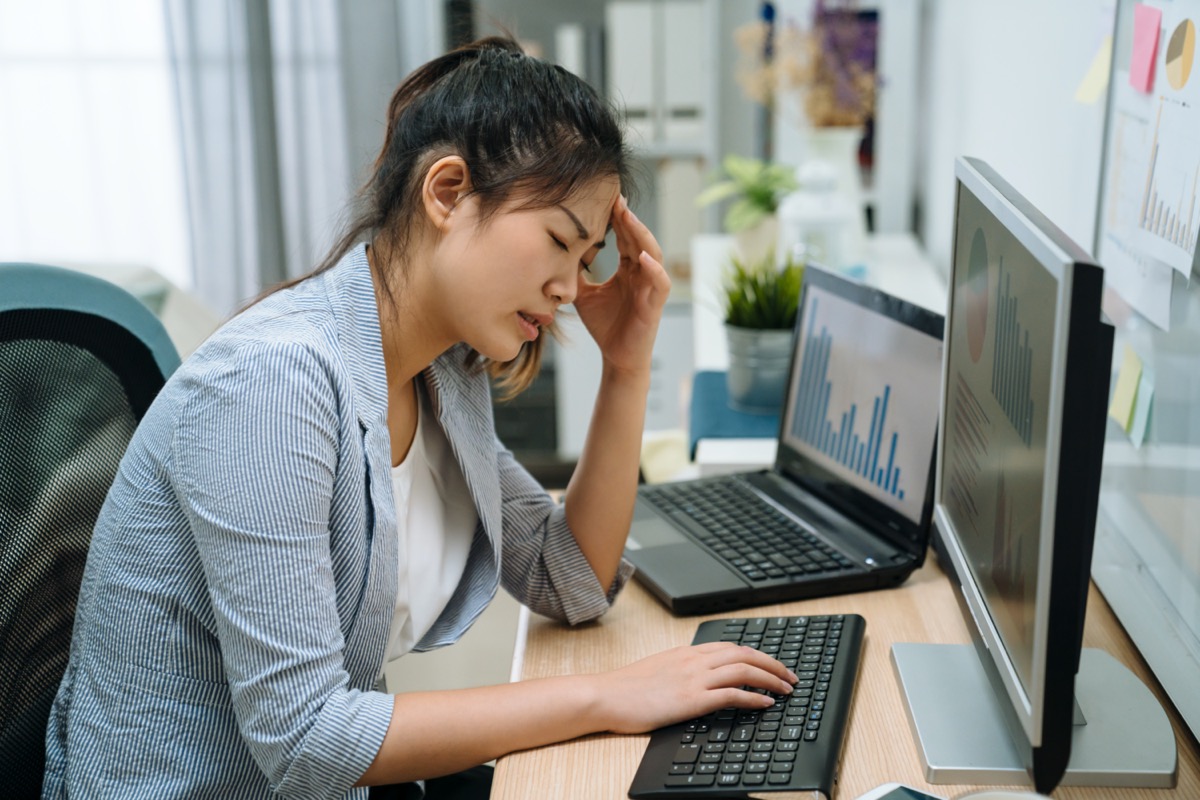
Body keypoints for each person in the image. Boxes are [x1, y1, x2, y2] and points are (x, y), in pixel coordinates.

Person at [42, 37, 797, 799]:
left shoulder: (440, 367)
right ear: (446, 193)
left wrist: (627, 366)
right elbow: (308, 741)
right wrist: (607, 695)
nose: (571, 286)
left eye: (588, 257)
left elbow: (569, 577)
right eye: (561, 241)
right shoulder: (270, 384)